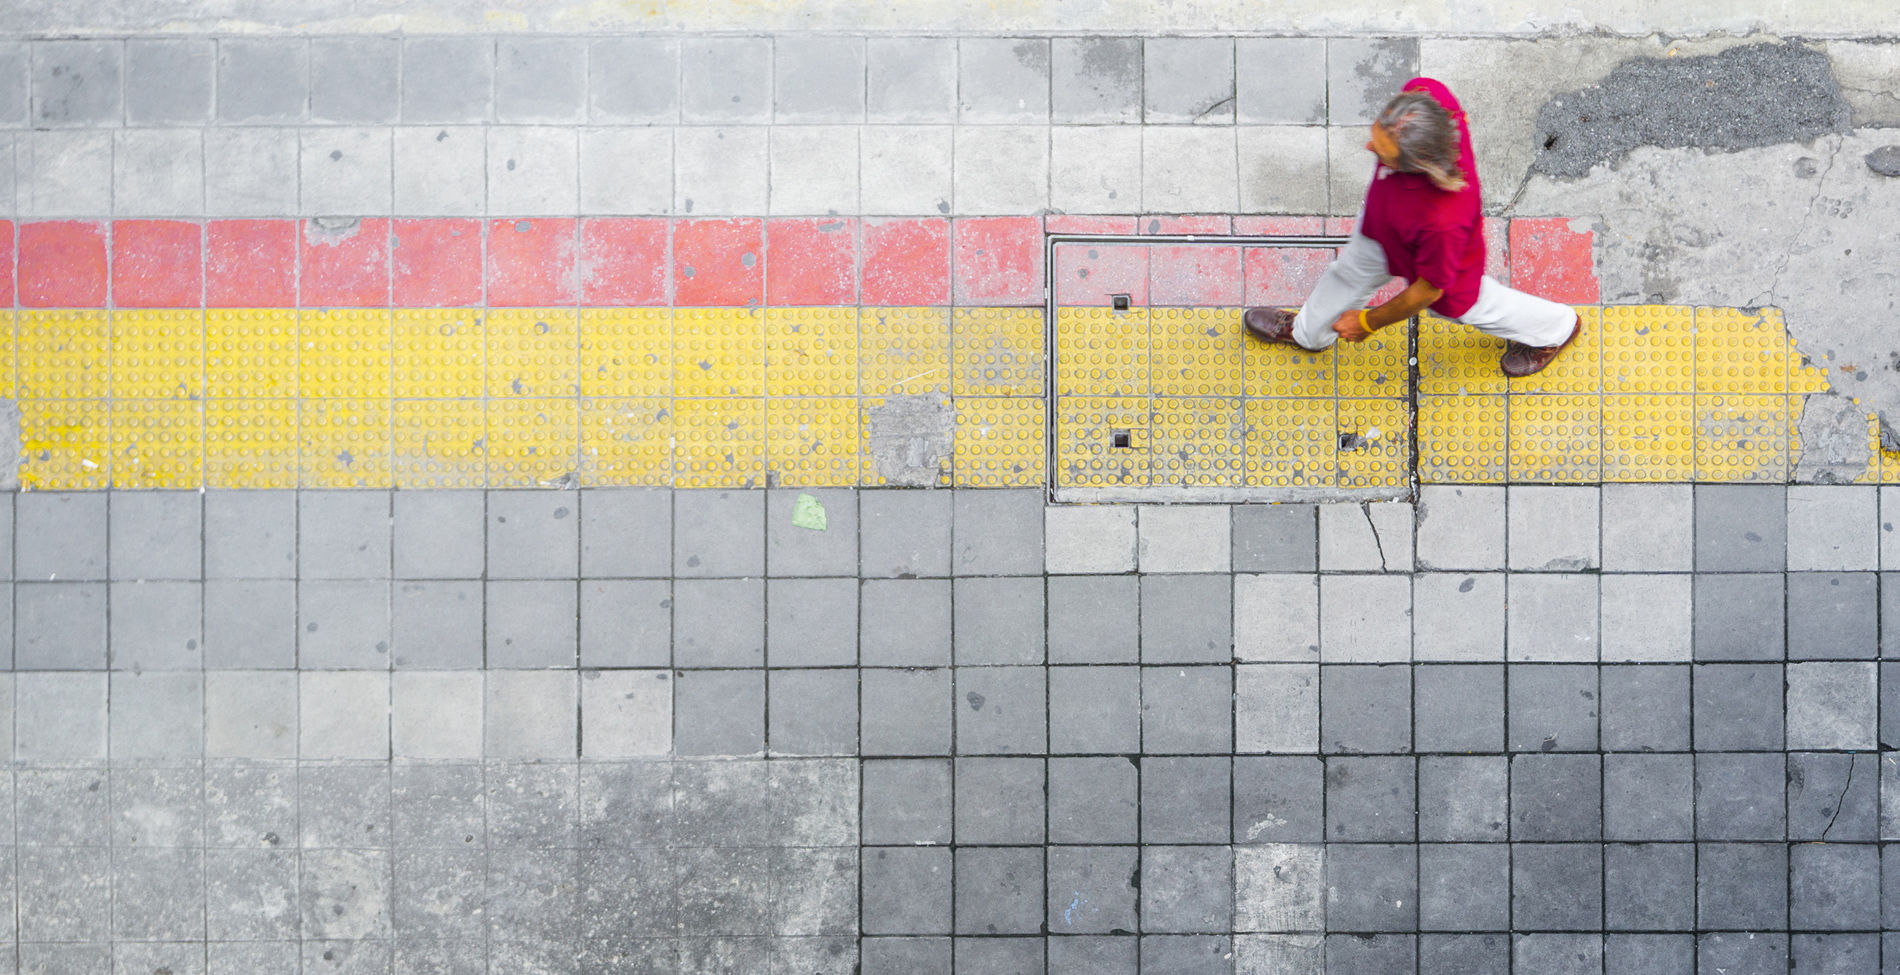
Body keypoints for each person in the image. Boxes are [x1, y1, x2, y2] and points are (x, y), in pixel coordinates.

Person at [1243, 78, 1580, 377]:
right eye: (1376, 134)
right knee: (1347, 273)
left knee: (1474, 305)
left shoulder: (1443, 220)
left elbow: (1427, 290)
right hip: (1383, 227)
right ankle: (1308, 334)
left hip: (1436, 259)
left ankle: (1555, 328)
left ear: (1418, 165)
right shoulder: (1426, 95)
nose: (1369, 147)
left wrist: (1367, 322)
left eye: (1383, 153)